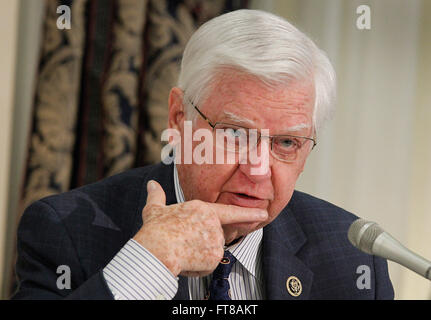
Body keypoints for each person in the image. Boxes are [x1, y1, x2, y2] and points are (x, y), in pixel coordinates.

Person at [12, 9, 394, 300]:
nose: (258, 169)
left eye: (287, 143)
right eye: (234, 133)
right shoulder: (64, 231)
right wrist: (151, 263)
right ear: (179, 118)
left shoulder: (354, 260)